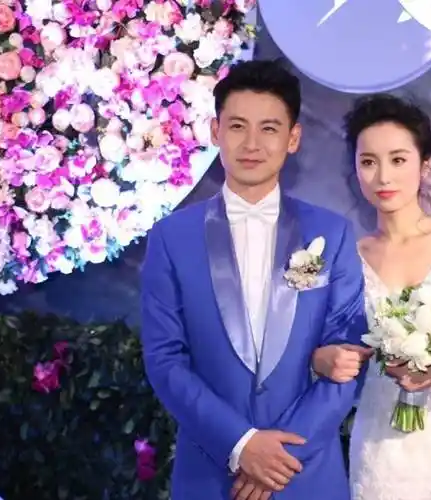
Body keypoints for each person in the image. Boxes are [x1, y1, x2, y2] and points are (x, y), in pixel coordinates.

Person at [140, 60, 371, 500]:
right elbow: (165, 359)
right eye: (237, 126)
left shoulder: (331, 233)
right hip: (211, 474)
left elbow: (349, 357)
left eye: (269, 128)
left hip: (305, 473)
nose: (251, 144)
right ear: (215, 131)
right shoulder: (171, 237)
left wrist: (277, 459)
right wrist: (241, 444)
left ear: (293, 138)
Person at [311, 94, 431, 499]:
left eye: (398, 159)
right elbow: (332, 350)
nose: (383, 177)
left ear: (424, 164)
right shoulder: (346, 258)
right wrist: (325, 358)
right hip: (381, 446)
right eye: (368, 162)